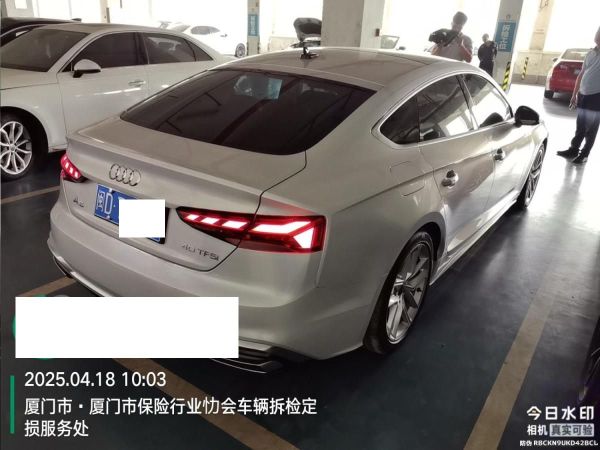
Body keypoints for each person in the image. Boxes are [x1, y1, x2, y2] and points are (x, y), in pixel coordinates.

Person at [557, 27, 600, 164]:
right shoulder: (591, 53)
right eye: (597, 34)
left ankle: (585, 154)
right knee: (580, 124)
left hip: (596, 96)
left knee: (591, 128)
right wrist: (574, 94)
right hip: (583, 94)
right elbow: (581, 74)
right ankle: (574, 149)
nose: (598, 38)